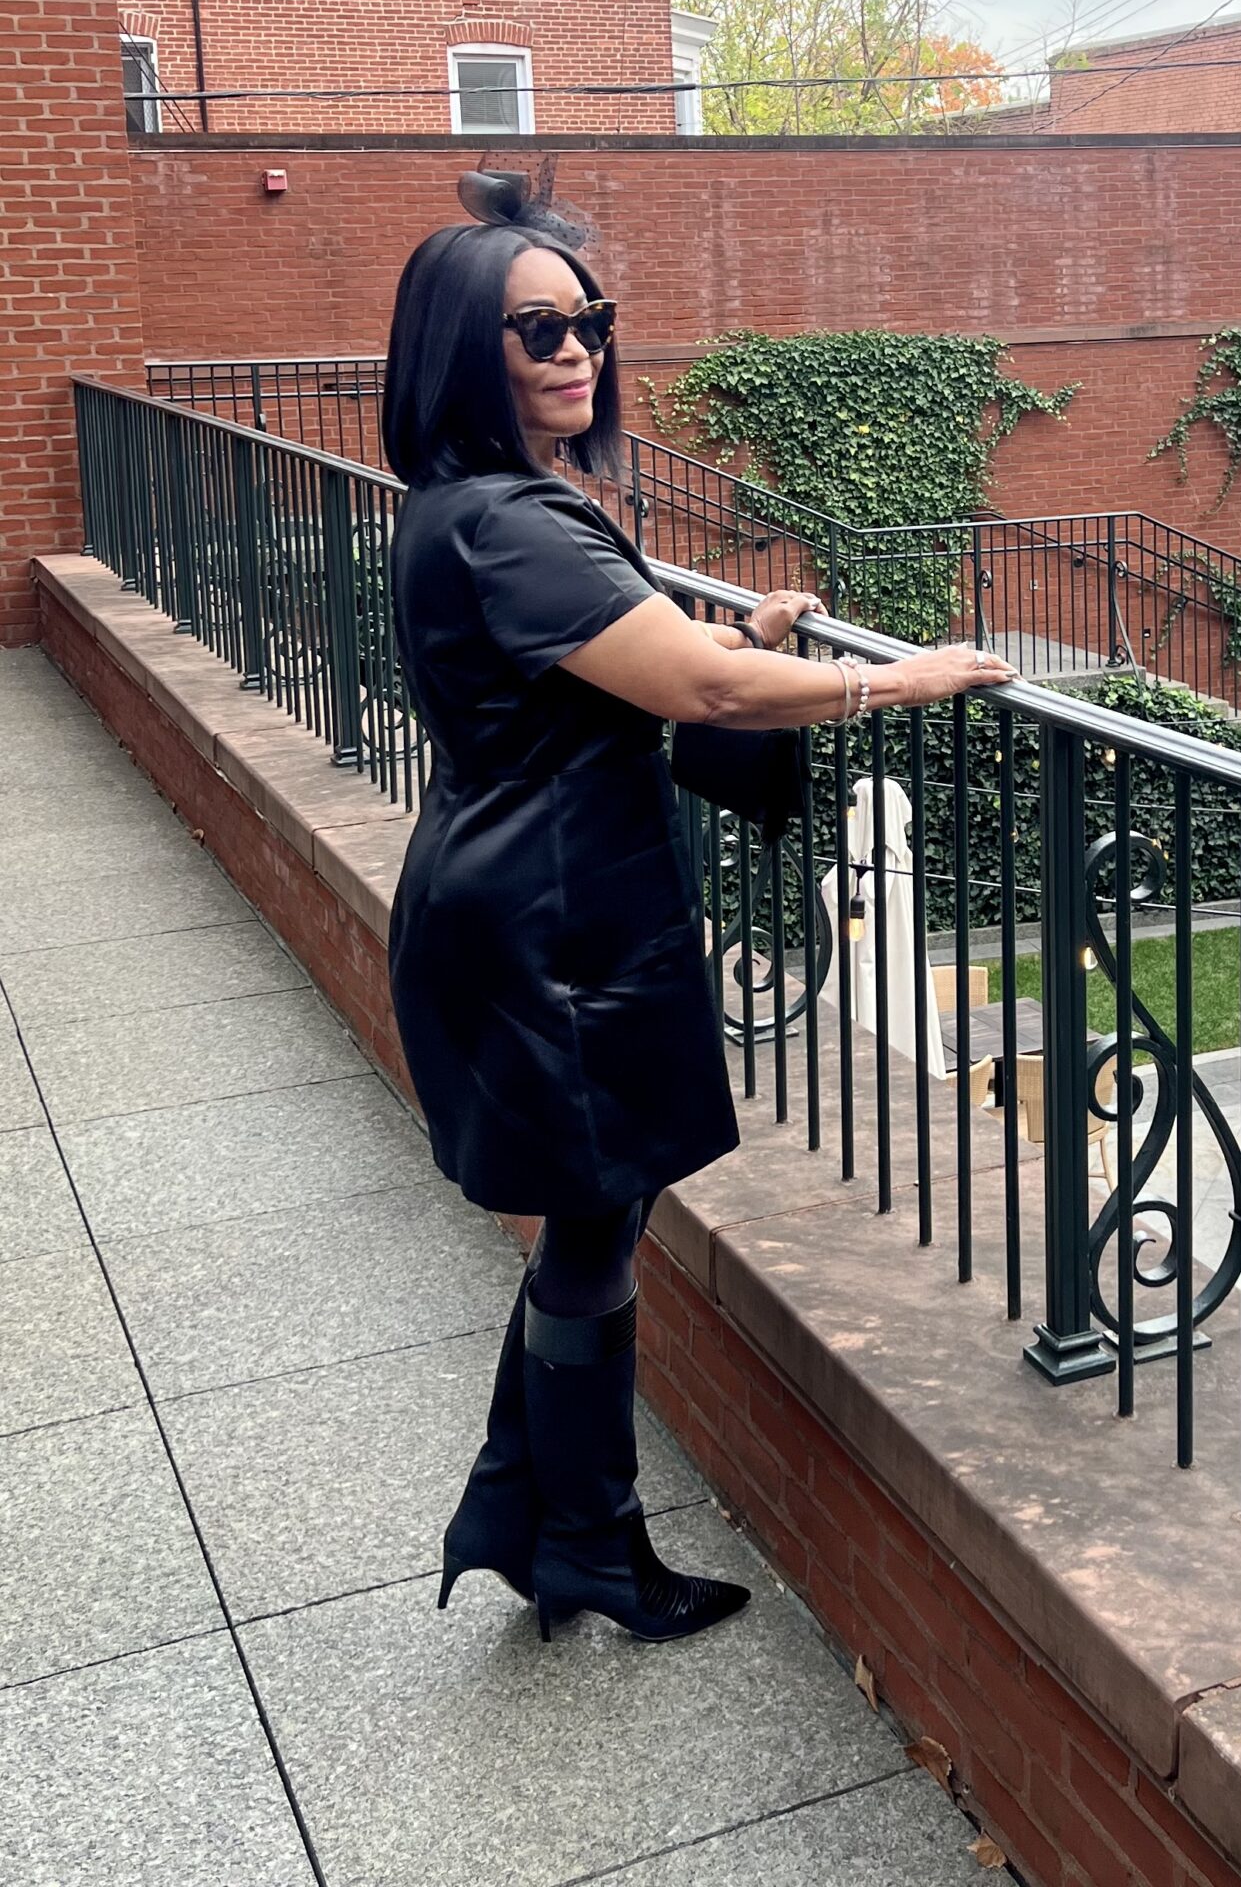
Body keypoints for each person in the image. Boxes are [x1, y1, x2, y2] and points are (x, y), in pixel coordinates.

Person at [381, 173, 1015, 1647]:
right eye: (534, 328)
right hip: (557, 930)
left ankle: (527, 1516)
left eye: (586, 321)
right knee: (600, 1222)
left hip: (538, 899)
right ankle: (584, 1542)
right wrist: (890, 678)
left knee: (597, 1218)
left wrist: (729, 636)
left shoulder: (478, 511)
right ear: (460, 351)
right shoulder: (509, 522)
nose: (574, 351)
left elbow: (638, 671)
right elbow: (702, 693)